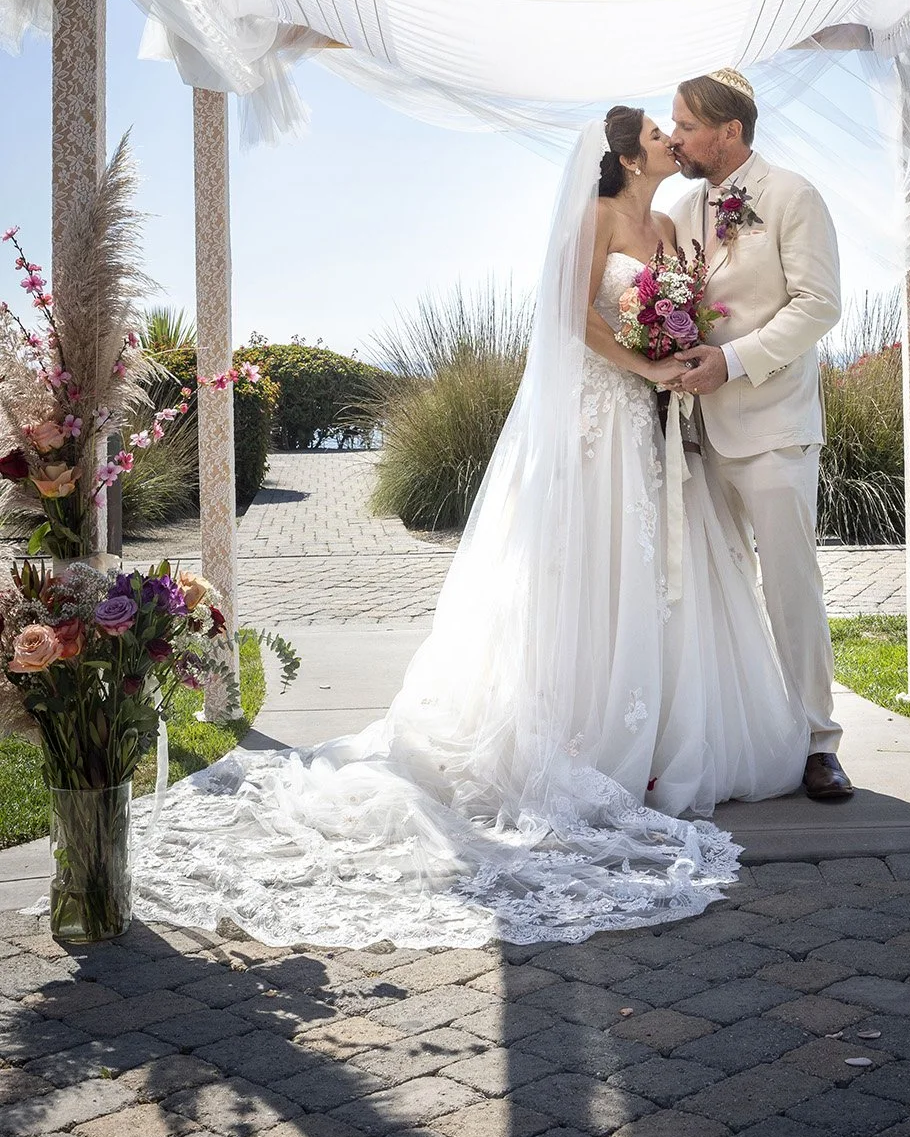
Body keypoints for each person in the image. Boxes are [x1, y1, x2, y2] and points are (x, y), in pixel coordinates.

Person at [133, 109, 806, 950]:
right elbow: (574, 319)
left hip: (657, 422)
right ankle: (588, 731)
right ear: (630, 157)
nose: (676, 139)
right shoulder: (597, 217)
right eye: (662, 134)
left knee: (661, 568)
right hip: (603, 415)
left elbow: (680, 308)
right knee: (594, 563)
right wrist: (644, 363)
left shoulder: (671, 222)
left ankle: (669, 734)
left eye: (682, 131)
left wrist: (681, 357)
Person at [670, 69, 853, 801]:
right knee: (712, 592)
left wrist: (733, 361)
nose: (675, 136)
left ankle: (818, 741)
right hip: (695, 432)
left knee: (790, 587)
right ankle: (730, 737)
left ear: (729, 131)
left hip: (775, 424)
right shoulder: (682, 207)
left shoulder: (793, 195)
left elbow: (820, 305)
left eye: (684, 124)